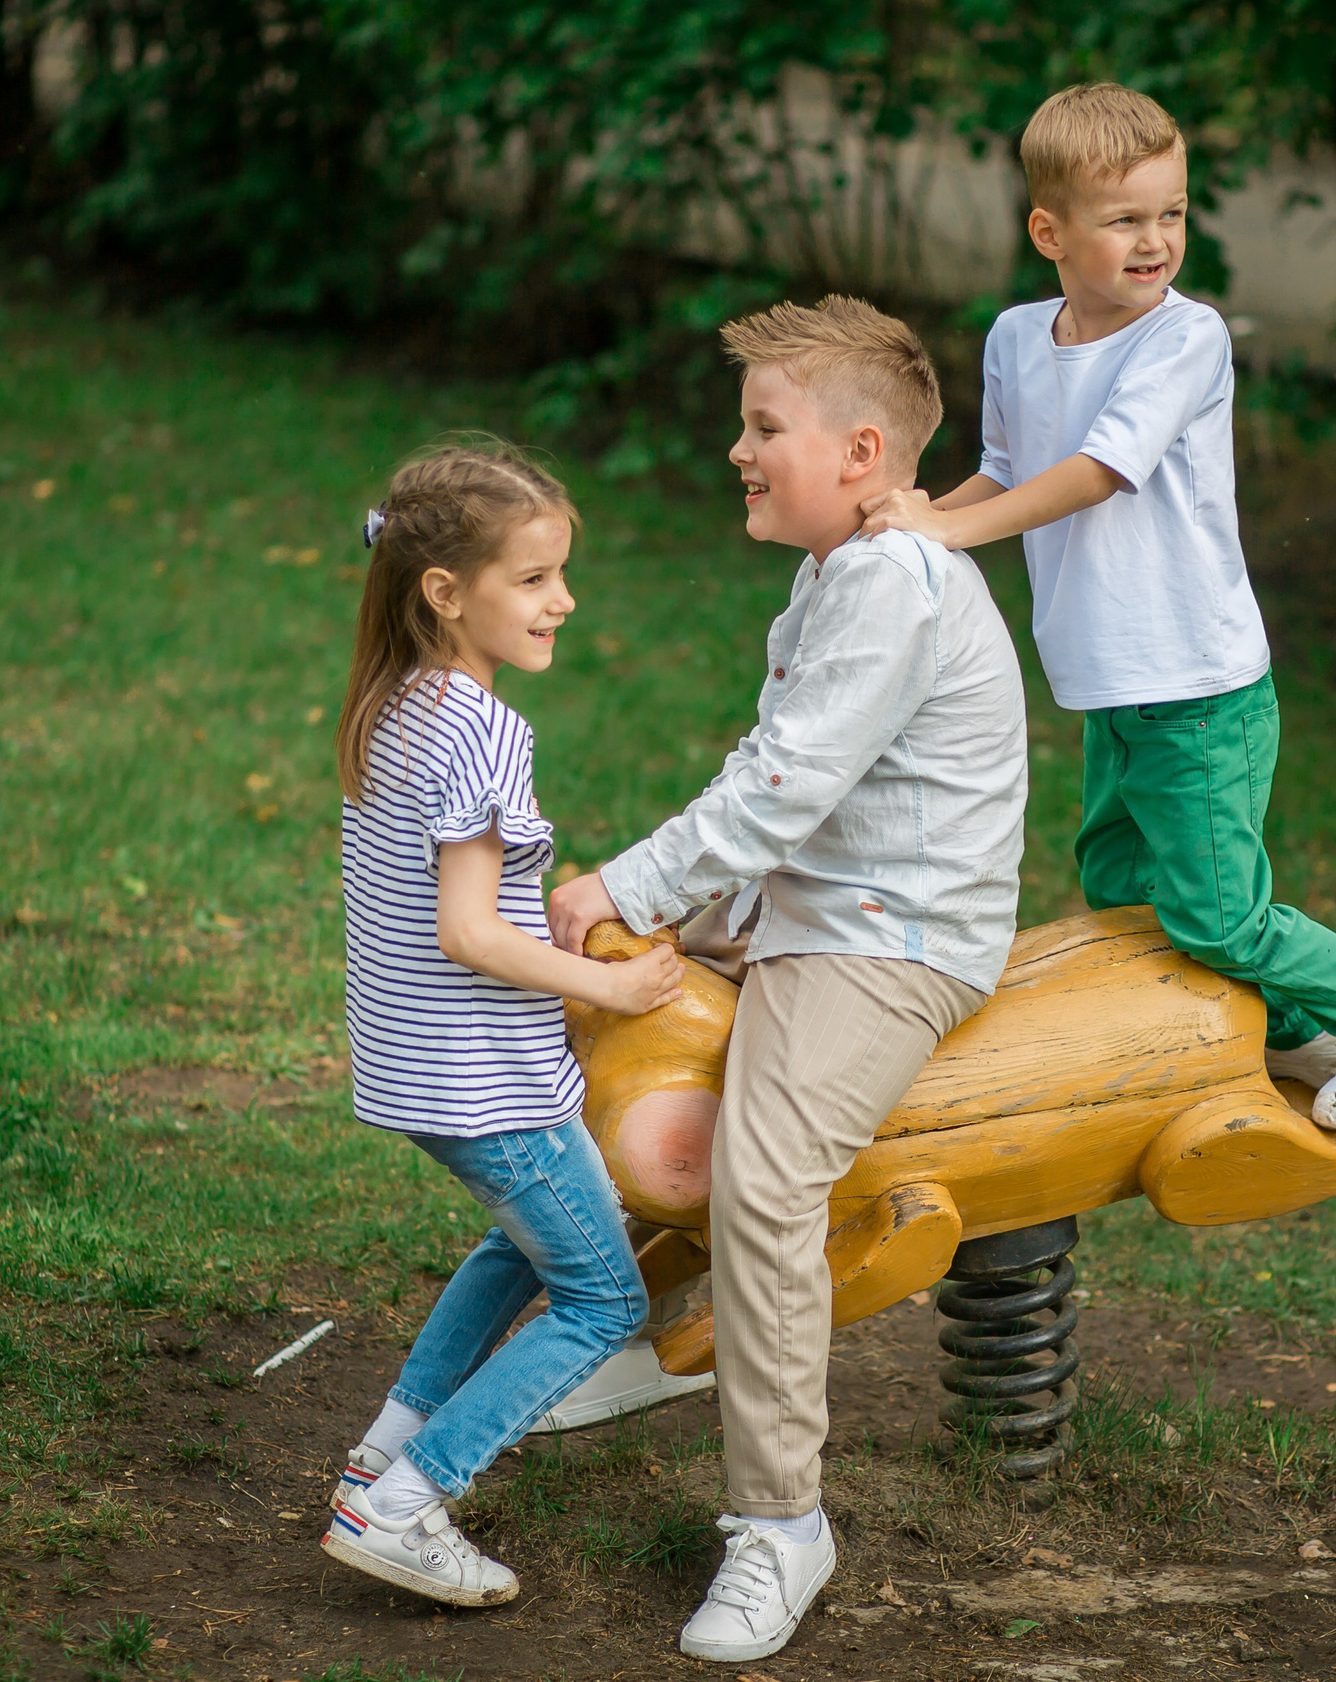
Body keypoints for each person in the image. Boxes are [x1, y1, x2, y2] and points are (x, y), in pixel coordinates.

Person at [859, 82, 1336, 1133]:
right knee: (1120, 891)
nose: (1155, 241)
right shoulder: (1017, 337)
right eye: (1125, 220)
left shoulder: (1182, 339)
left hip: (1198, 680)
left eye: (1172, 213)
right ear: (1048, 230)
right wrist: (921, 512)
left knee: (1213, 910)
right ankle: (1278, 1026)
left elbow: (1099, 471)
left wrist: (955, 529)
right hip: (1112, 680)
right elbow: (1008, 468)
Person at [548, 298, 1028, 1663]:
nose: (736, 450)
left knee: (766, 1175)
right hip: (817, 900)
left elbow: (784, 785)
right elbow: (797, 796)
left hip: (893, 938)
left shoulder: (891, 580)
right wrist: (693, 914)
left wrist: (633, 889)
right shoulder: (843, 568)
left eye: (764, 428)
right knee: (596, 1014)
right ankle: (623, 1320)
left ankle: (781, 1522)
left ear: (863, 451)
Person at [320, 442, 684, 1608]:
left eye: (558, 575)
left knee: (523, 1242)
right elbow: (468, 932)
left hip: (417, 1068)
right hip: (489, 1079)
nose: (560, 600)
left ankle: (383, 1449)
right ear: (446, 590)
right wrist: (611, 991)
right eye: (532, 579)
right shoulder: (481, 729)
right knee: (600, 1299)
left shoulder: (392, 703)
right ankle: (407, 1500)